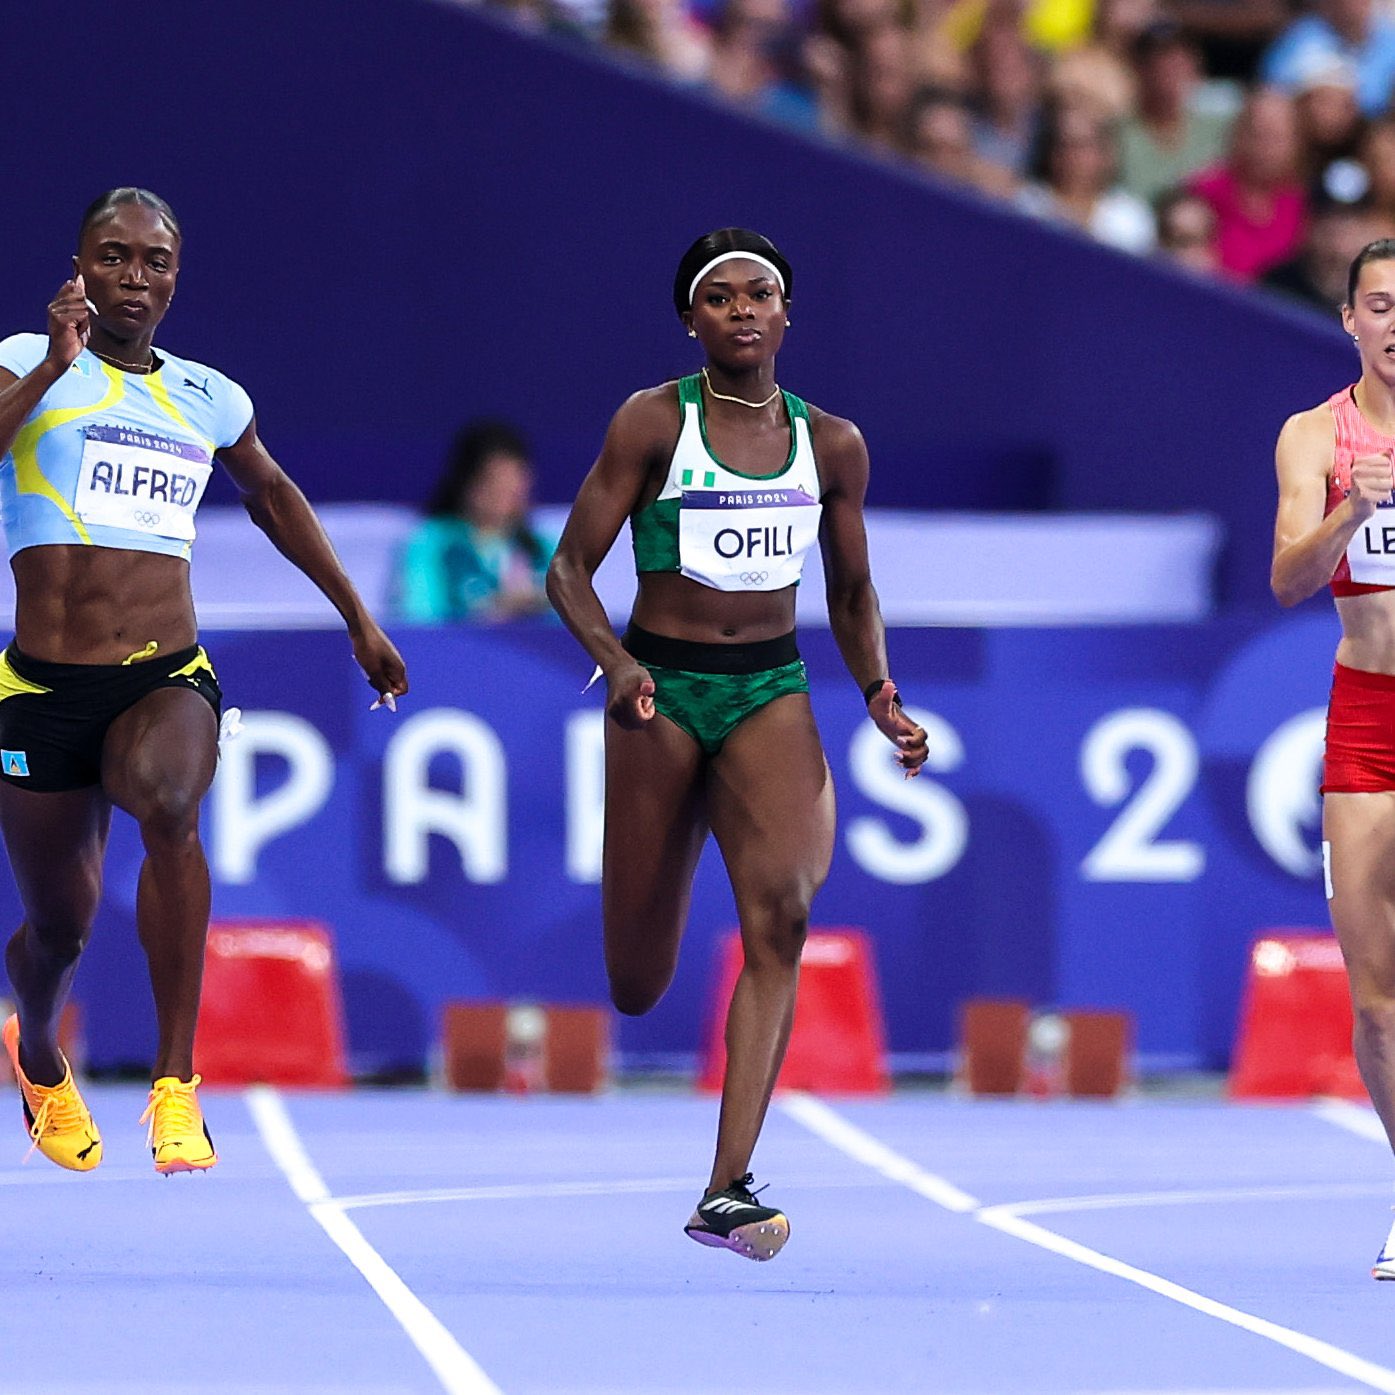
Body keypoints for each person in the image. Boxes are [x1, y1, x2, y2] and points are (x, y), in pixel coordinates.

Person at [0, 188, 407, 1175]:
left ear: (176, 276)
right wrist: (56, 364)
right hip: (41, 685)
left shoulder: (207, 396)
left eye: (154, 261)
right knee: (59, 927)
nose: (134, 278)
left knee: (172, 802)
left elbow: (271, 493)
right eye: (114, 257)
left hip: (162, 670)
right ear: (80, 264)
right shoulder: (24, 361)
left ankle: (176, 1085)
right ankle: (41, 1050)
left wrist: (358, 616)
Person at [546, 228, 928, 1261]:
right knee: (637, 975)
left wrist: (881, 693)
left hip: (770, 688)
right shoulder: (651, 422)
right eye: (722, 298)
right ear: (692, 320)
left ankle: (728, 1186)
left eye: (762, 294)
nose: (745, 310)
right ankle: (648, 950)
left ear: (787, 315)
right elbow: (568, 571)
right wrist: (619, 666)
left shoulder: (832, 444)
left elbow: (850, 591)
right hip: (660, 692)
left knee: (785, 912)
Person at [1270, 236, 1395, 1280]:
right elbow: (1283, 580)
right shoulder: (1315, 438)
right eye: (1382, 306)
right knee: (1376, 1000)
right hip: (1366, 715)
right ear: (1351, 320)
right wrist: (1355, 504)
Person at [394, 421, 555, 623]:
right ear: (468, 483)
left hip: (536, 653)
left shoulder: (543, 549)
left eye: (515, 484)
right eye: (495, 482)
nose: (506, 495)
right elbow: (419, 620)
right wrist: (494, 611)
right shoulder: (431, 543)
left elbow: (571, 625)